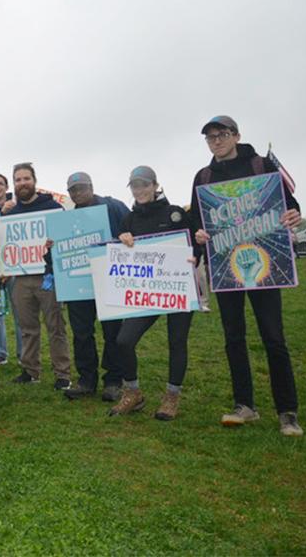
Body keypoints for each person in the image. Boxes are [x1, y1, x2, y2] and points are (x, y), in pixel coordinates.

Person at [190, 116, 303, 436]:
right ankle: (245, 406)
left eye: (222, 134)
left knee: (273, 337)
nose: (216, 141)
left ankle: (287, 412)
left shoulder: (261, 165)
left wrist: (292, 214)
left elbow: (289, 205)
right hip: (226, 269)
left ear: (236, 136)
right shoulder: (203, 176)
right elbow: (197, 222)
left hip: (266, 268)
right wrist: (199, 235)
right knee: (233, 338)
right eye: (211, 137)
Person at [109, 166, 199, 420]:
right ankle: (133, 393)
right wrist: (122, 237)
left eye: (144, 185)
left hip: (178, 290)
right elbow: (121, 252)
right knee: (124, 340)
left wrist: (195, 256)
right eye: (135, 186)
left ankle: (172, 396)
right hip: (146, 293)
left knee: (176, 341)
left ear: (155, 185)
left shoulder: (176, 214)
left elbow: (194, 246)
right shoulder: (130, 218)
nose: (139, 191)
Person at [61, 172, 130, 402]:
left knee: (113, 332)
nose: (78, 193)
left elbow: (133, 230)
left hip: (109, 280)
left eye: (81, 188)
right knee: (81, 333)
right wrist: (52, 248)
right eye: (73, 190)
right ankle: (86, 380)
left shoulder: (113, 207)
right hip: (78, 286)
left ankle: (113, 380)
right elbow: (58, 257)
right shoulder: (67, 220)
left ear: (91, 186)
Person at [3, 163, 72, 389]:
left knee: (55, 326)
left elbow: (66, 240)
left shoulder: (52, 208)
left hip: (47, 276)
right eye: (18, 180)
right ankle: (31, 370)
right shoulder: (11, 214)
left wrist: (56, 242)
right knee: (27, 327)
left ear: (34, 181)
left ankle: (63, 373)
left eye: (26, 179)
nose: (22, 183)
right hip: (21, 278)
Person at [0, 172, 23, 369]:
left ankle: (23, 354)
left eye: (0, 184)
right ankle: (0, 353)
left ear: (7, 187)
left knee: (20, 313)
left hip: (13, 266)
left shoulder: (17, 206)